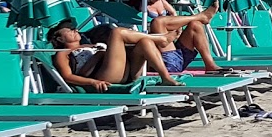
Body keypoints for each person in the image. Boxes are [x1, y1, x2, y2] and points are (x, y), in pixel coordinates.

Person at [47, 19, 184, 90]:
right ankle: (161, 38)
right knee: (117, 32)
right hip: (104, 75)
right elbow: (68, 76)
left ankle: (165, 77)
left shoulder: (89, 45)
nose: (74, 30)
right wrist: (93, 81)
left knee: (145, 42)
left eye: (74, 28)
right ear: (59, 39)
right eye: (69, 30)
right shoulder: (63, 54)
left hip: (124, 70)